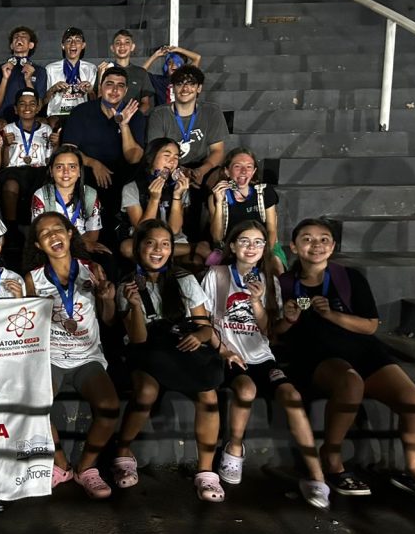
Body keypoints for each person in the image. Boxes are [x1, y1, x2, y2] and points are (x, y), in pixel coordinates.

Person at [274, 218, 415, 499]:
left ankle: (413, 469)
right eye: (307, 239)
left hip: (364, 351)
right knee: (351, 382)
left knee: (414, 403)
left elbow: (370, 326)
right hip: (317, 355)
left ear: (333, 246)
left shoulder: (349, 278)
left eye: (324, 239)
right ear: (294, 247)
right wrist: (288, 320)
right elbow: (272, 334)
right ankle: (332, 459)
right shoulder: (284, 284)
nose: (316, 245)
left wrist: (331, 314)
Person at [201, 221, 330, 510]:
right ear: (232, 246)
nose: (251, 247)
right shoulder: (217, 275)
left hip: (261, 355)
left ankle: (317, 477)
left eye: (258, 242)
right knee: (245, 389)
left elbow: (268, 331)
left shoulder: (270, 280)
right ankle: (234, 448)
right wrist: (223, 351)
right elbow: (205, 322)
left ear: (264, 248)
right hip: (229, 354)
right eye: (244, 241)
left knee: (292, 396)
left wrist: (260, 303)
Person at [115, 219, 225, 502]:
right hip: (147, 352)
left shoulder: (184, 278)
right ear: (138, 248)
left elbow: (205, 327)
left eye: (165, 244)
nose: (158, 250)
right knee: (146, 391)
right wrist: (135, 306)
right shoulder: (127, 284)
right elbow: (138, 339)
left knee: (209, 394)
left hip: (178, 347)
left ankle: (206, 471)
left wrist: (198, 336)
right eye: (150, 243)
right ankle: (122, 450)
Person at [23, 212, 120, 501]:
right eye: (44, 234)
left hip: (87, 357)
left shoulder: (92, 270)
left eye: (58, 229)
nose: (53, 235)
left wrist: (107, 300)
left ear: (69, 233)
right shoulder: (32, 278)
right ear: (38, 245)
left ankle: (86, 468)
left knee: (110, 408)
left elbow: (109, 319)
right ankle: (62, 465)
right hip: (50, 358)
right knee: (35, 406)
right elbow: (28, 326)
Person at [61, 66, 145, 250]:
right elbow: (68, 149)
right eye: (109, 84)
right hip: (87, 172)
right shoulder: (82, 112)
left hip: (121, 175)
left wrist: (124, 125)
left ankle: (117, 239)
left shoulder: (135, 115)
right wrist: (93, 163)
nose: (114, 90)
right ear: (100, 87)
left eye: (120, 86)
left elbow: (134, 157)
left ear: (126, 90)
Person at [146, 65, 228, 191]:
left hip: (201, 166)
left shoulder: (212, 111)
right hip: (169, 166)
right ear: (173, 87)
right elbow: (156, 153)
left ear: (199, 88)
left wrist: (201, 171)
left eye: (191, 84)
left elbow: (217, 151)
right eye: (179, 84)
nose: (185, 89)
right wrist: (180, 172)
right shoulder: (159, 114)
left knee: (218, 178)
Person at [205, 148, 283, 271]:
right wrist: (219, 203)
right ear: (227, 171)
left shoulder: (264, 192)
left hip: (263, 246)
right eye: (237, 166)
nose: (244, 171)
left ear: (254, 172)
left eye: (249, 167)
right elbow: (217, 237)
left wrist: (263, 254)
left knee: (275, 265)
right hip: (232, 248)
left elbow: (272, 230)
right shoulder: (216, 197)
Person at [119, 138, 192, 261]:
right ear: (150, 158)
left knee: (190, 256)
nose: (172, 161)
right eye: (167, 155)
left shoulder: (180, 186)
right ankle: (193, 248)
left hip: (172, 240)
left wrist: (177, 196)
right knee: (127, 248)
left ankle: (187, 250)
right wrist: (154, 199)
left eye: (176, 157)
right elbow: (143, 230)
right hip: (145, 240)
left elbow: (174, 230)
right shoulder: (132, 188)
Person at [31, 145, 107, 256]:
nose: (66, 172)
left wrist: (77, 247)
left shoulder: (90, 194)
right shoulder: (41, 195)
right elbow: (40, 233)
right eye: (59, 167)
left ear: (79, 171)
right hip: (53, 247)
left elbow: (93, 233)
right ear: (51, 171)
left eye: (72, 167)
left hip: (83, 246)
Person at [0, 88, 54, 238]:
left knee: (44, 182)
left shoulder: (46, 130)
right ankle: (12, 230)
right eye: (22, 104)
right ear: (16, 109)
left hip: (39, 170)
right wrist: (5, 146)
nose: (27, 107)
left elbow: (49, 161)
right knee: (10, 185)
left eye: (32, 104)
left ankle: (40, 226)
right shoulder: (8, 129)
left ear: (38, 108)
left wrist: (55, 146)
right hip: (14, 171)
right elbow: (4, 165)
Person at [0, 26, 47, 123]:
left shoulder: (39, 71)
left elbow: (38, 106)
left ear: (31, 45)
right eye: (16, 37)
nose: (19, 38)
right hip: (3, 116)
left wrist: (28, 80)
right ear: (11, 46)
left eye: (23, 36)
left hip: (29, 115)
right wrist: (5, 78)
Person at [44, 27, 97, 122]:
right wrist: (53, 89)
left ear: (83, 45)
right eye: (68, 40)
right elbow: (43, 101)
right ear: (63, 46)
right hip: (57, 115)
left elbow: (96, 102)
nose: (73, 43)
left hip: (83, 115)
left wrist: (90, 91)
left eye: (77, 40)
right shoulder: (50, 69)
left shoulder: (91, 68)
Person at [98, 29, 155, 115]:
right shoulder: (104, 70)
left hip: (133, 119)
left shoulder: (141, 72)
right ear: (112, 48)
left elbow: (146, 104)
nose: (122, 46)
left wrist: (131, 117)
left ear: (132, 47)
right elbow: (98, 101)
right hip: (107, 119)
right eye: (118, 43)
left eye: (127, 42)